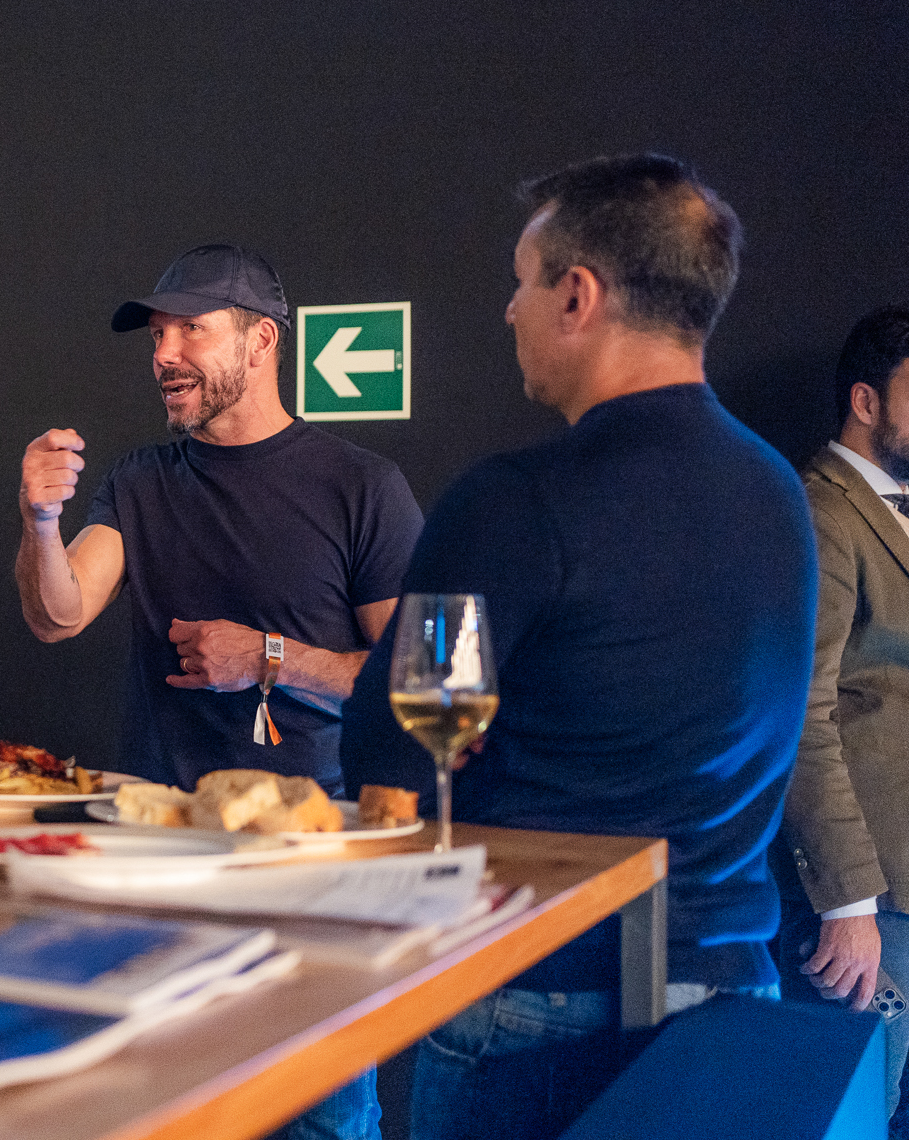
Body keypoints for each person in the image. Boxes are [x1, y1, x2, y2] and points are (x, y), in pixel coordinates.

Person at [341, 153, 816, 1140]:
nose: (506, 311)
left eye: (518, 282)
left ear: (575, 294)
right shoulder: (777, 492)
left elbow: (394, 752)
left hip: (535, 998)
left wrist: (467, 740)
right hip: (730, 991)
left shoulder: (510, 502)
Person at [15, 242, 423, 1140]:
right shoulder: (139, 481)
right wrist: (42, 523)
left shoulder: (362, 487)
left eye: (190, 330)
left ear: (261, 340)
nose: (164, 354)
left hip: (308, 885)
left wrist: (269, 656)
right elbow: (59, 612)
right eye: (157, 335)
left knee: (315, 1120)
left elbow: (412, 687)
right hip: (161, 878)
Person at [777, 304, 909, 1129]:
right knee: (856, 1116)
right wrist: (848, 903)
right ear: (866, 402)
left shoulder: (899, 506)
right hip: (873, 898)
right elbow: (802, 710)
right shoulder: (820, 511)